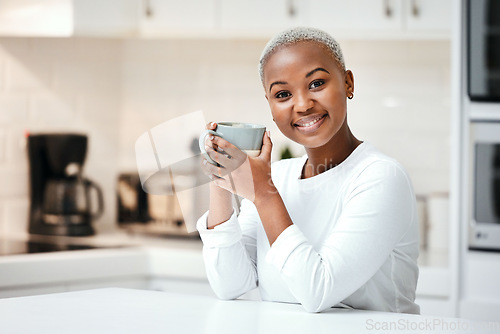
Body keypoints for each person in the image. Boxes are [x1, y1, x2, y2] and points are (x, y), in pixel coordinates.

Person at [196, 27, 419, 314]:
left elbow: (318, 291)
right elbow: (230, 285)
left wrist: (263, 193)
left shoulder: (381, 177)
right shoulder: (278, 176)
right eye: (283, 94)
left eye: (316, 83)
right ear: (270, 105)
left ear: (348, 83)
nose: (302, 104)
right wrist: (220, 178)